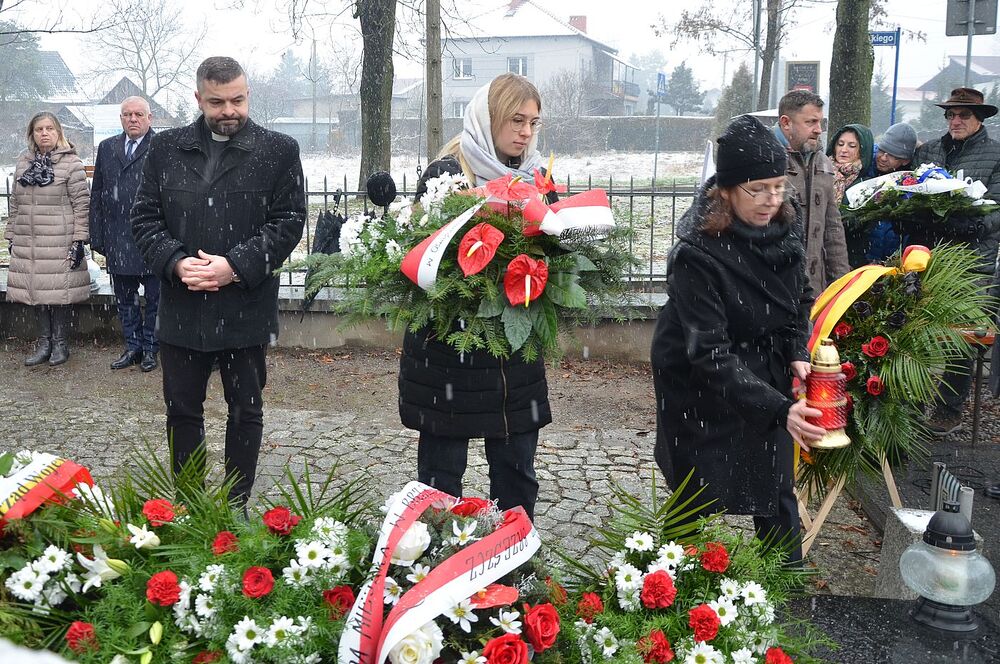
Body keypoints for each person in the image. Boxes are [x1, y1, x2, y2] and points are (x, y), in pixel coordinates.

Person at [131, 56, 306, 506]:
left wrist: (235, 265)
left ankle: (235, 504)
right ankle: (188, 504)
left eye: (238, 100)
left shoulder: (278, 150)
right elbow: (145, 218)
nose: (229, 110)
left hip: (245, 306)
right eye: (217, 102)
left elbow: (288, 222)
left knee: (246, 410)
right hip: (182, 305)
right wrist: (174, 262)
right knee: (182, 411)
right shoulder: (166, 148)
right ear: (198, 98)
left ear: (248, 95)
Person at [652, 114, 826, 563]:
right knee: (695, 488)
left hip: (762, 367)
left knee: (775, 483)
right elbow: (709, 353)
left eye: (778, 185)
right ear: (726, 189)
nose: (772, 199)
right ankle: (671, 582)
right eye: (758, 189)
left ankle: (785, 580)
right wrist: (782, 408)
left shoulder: (785, 223)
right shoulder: (695, 252)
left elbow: (798, 298)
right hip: (698, 380)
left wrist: (796, 351)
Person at [400, 73, 551, 520]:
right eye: (516, 120)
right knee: (441, 479)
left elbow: (549, 253)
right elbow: (426, 263)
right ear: (490, 118)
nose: (525, 132)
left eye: (533, 122)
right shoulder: (448, 173)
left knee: (517, 474)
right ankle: (438, 565)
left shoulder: (537, 177)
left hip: (513, 360)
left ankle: (515, 562)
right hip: (450, 354)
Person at [908, 88, 1000, 437]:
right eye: (950, 115)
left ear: (979, 119)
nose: (955, 121)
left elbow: (998, 206)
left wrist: (974, 223)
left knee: (959, 339)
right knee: (917, 332)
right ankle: (914, 402)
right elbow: (913, 191)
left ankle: (948, 409)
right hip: (929, 256)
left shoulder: (995, 154)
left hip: (972, 261)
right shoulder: (930, 150)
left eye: (962, 115)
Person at [4, 112, 90, 367]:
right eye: (39, 129)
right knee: (36, 291)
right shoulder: (23, 164)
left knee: (58, 292)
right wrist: (11, 235)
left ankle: (61, 344)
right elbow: (15, 204)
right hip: (29, 240)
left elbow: (81, 205)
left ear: (58, 132)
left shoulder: (72, 164)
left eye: (49, 128)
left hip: (59, 239)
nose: (44, 133)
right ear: (32, 134)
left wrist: (79, 241)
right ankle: (44, 343)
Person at [90, 96, 160, 372]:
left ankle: (151, 349)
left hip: (153, 238)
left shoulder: (161, 147)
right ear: (121, 119)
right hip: (118, 238)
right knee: (126, 301)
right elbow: (97, 193)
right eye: (127, 114)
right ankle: (133, 346)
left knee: (156, 299)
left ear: (149, 118)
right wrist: (98, 236)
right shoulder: (108, 148)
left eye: (139, 114)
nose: (133, 119)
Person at [773, 90, 851, 295]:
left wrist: (842, 288)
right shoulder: (767, 159)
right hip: (775, 288)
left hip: (815, 290)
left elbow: (833, 229)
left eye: (820, 122)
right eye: (811, 122)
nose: (819, 130)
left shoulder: (822, 162)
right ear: (786, 122)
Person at [826, 122, 875, 267]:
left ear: (862, 150)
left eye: (851, 146)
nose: (844, 150)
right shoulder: (821, 173)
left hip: (850, 257)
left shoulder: (867, 185)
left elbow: (861, 225)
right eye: (840, 144)